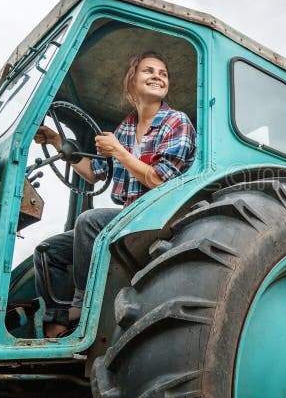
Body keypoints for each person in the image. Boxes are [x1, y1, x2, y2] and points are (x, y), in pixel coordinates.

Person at [33, 51, 196, 337]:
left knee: (89, 222)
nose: (158, 76)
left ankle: (83, 308)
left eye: (163, 73)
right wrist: (59, 142)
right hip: (129, 219)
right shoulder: (125, 128)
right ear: (131, 83)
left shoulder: (176, 122)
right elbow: (93, 172)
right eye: (148, 71)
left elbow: (159, 180)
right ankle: (57, 328)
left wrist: (119, 152)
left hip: (161, 220)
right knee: (49, 252)